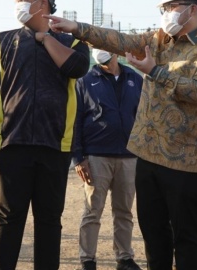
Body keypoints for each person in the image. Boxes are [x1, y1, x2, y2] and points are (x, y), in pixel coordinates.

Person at [46, 0, 197, 270]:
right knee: (154, 235)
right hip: (148, 156)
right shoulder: (157, 39)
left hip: (188, 161)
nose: (166, 13)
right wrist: (78, 28)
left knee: (187, 238)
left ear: (193, 9)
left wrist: (156, 72)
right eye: (165, 7)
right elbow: (120, 41)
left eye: (172, 6)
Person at [0, 0, 90, 270]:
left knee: (49, 220)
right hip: (13, 144)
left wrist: (45, 38)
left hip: (55, 145)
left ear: (44, 3)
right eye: (17, 0)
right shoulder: (1, 43)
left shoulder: (73, 42)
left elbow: (78, 68)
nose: (19, 5)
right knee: (9, 218)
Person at [73, 48, 142, 270]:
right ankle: (88, 259)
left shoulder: (135, 78)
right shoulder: (84, 81)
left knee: (124, 211)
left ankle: (124, 257)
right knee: (93, 211)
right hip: (96, 156)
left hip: (129, 156)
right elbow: (75, 121)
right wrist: (78, 158)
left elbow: (144, 116)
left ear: (116, 51)